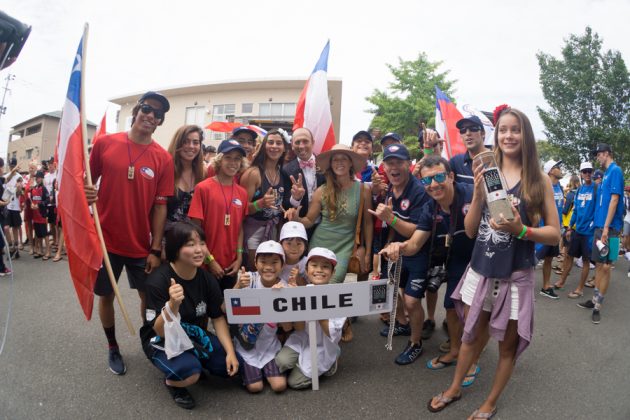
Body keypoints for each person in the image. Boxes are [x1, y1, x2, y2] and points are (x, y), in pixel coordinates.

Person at [427, 106, 560, 418]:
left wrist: (522, 230)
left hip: (516, 274)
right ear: (495, 135)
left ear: (525, 135)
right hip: (483, 269)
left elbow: (555, 235)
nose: (509, 135)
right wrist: (476, 193)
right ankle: (454, 388)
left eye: (515, 129)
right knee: (471, 335)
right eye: (503, 130)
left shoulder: (538, 180)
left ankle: (489, 402)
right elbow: (471, 229)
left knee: (507, 346)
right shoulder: (487, 173)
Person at [86, 91, 175, 375]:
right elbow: (85, 181)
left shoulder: (162, 158)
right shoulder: (104, 143)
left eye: (157, 115)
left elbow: (160, 208)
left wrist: (155, 248)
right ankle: (112, 346)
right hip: (105, 241)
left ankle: (150, 341)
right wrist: (86, 192)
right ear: (137, 111)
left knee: (148, 299)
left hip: (141, 246)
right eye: (147, 109)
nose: (150, 116)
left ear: (160, 122)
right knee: (106, 297)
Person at [380, 155, 478, 380]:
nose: (433, 185)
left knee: (474, 311)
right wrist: (397, 247)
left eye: (440, 177)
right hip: (457, 259)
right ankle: (455, 351)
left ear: (451, 176)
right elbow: (414, 244)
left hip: (483, 259)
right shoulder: (429, 208)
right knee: (452, 306)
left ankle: (472, 358)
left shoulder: (472, 193)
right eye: (427, 181)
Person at [141, 222, 239, 410]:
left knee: (230, 368)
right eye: (190, 244)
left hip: (194, 335)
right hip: (160, 339)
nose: (199, 250)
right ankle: (173, 384)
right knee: (190, 374)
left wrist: (231, 352)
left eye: (201, 243)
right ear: (175, 249)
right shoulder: (157, 281)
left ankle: (195, 360)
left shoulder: (207, 279)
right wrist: (172, 306)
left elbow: (217, 317)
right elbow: (159, 331)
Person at [370, 143, 431, 365]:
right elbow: (391, 227)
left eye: (399, 163)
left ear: (408, 164)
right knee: (390, 288)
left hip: (417, 252)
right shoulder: (388, 189)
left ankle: (416, 343)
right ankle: (403, 323)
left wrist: (390, 218)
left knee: (412, 301)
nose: (394, 168)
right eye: (389, 163)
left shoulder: (418, 191)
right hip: (393, 251)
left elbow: (416, 231)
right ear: (383, 166)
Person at [285, 144, 372, 284]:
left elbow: (368, 223)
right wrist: (297, 219)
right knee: (314, 285)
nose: (339, 163)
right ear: (331, 164)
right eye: (335, 160)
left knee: (333, 283)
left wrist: (368, 252)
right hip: (320, 244)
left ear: (350, 163)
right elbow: (309, 220)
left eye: (343, 159)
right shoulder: (322, 191)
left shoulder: (363, 189)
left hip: (345, 247)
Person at [275, 247, 345, 389]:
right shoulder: (304, 290)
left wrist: (314, 304)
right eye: (314, 265)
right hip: (303, 337)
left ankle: (331, 362)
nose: (319, 270)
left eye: (325, 267)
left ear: (333, 273)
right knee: (281, 362)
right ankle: (300, 362)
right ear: (306, 270)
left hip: (325, 344)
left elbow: (331, 333)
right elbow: (299, 328)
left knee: (294, 382)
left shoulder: (338, 296)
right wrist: (295, 300)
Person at [188, 139, 248, 291]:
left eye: (237, 158)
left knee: (226, 310)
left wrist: (239, 257)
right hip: (205, 263)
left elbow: (240, 228)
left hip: (231, 265)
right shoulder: (203, 188)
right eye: (228, 157)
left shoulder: (242, 193)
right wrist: (210, 260)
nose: (233, 162)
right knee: (203, 311)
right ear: (219, 160)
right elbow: (195, 230)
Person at [577, 143, 625, 324]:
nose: (597, 158)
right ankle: (594, 299)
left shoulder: (616, 171)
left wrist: (606, 228)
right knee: (598, 264)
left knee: (606, 266)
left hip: (610, 228)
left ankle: (598, 305)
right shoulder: (605, 175)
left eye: (598, 155)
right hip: (599, 227)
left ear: (606, 154)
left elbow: (614, 200)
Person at [232, 240, 288, 394]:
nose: (268, 267)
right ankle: (249, 370)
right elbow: (225, 309)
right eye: (263, 261)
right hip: (246, 344)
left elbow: (287, 326)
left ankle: (265, 371)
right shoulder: (247, 279)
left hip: (270, 344)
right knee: (255, 387)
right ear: (255, 263)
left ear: (282, 265)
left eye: (275, 262)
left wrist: (280, 300)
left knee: (279, 386)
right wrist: (237, 287)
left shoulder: (284, 287)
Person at [240, 129, 288, 268]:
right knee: (255, 271)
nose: (274, 146)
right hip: (253, 231)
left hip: (273, 229)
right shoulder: (253, 173)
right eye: (270, 142)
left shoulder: (282, 173)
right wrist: (260, 203)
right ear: (264, 146)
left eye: (279, 143)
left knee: (270, 273)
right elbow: (241, 209)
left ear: (284, 148)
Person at [554, 162, 596, 297]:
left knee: (585, 261)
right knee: (569, 256)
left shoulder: (597, 188)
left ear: (593, 172)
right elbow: (576, 210)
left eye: (589, 171)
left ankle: (579, 289)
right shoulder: (579, 190)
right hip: (577, 230)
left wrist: (594, 226)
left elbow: (599, 210)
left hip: (589, 233)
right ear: (581, 174)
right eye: (585, 171)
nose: (587, 174)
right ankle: (562, 281)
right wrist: (570, 228)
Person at [282, 127, 325, 236]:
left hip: (324, 226)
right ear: (292, 145)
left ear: (313, 142)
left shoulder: (326, 166)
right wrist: (296, 198)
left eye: (305, 141)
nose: (301, 146)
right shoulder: (286, 170)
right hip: (298, 227)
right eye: (297, 142)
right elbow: (285, 203)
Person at [165, 125, 206, 233]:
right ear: (177, 143)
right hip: (166, 239)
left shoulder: (204, 173)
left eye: (196, 142)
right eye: (185, 142)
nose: (191, 146)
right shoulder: (166, 170)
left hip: (191, 240)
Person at [537, 159, 565, 299]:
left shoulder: (559, 186)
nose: (560, 169)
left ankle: (546, 287)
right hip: (543, 230)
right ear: (550, 171)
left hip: (555, 231)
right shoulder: (542, 187)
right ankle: (523, 290)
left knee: (549, 259)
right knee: (531, 260)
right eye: (557, 167)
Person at [450, 116, 487, 185]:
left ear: (483, 133)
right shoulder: (456, 162)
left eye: (473, 128)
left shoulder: (497, 157)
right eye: (463, 130)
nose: (468, 133)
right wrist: (429, 149)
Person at [3, 158, 23, 259]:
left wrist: (19, 189)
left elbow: (20, 194)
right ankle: (11, 246)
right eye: (11, 166)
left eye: (13, 166)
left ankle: (15, 249)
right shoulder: (6, 176)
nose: (12, 167)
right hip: (6, 205)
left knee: (15, 228)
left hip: (15, 206)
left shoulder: (19, 177)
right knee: (6, 227)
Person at [29, 170, 50, 260]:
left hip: (42, 214)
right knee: (38, 234)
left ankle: (48, 252)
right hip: (35, 215)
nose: (37, 179)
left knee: (45, 234)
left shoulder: (44, 189)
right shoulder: (33, 189)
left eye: (39, 178)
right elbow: (31, 199)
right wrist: (31, 205)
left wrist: (39, 204)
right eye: (36, 178)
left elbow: (48, 200)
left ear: (42, 178)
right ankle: (40, 250)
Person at [279, 221, 308, 285]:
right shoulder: (276, 262)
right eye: (289, 243)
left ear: (305, 246)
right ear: (281, 244)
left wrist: (298, 278)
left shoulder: (308, 263)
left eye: (298, 244)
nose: (294, 248)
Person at [0, 158, 11, 275]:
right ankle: (1, 268)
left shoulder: (0, 179)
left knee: (1, 242)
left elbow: (7, 178)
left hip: (2, 214)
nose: (3, 169)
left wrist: (14, 170)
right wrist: (5, 202)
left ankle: (1, 267)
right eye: (2, 167)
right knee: (0, 242)